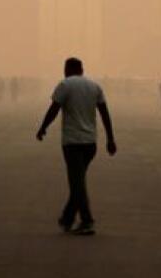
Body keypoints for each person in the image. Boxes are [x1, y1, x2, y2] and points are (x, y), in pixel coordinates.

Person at [36, 57, 117, 236]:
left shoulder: (65, 85)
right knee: (78, 181)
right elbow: (105, 114)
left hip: (72, 142)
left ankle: (87, 221)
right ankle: (67, 217)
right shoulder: (95, 86)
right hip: (90, 143)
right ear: (82, 69)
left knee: (77, 183)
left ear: (68, 69)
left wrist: (43, 128)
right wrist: (110, 139)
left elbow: (54, 109)